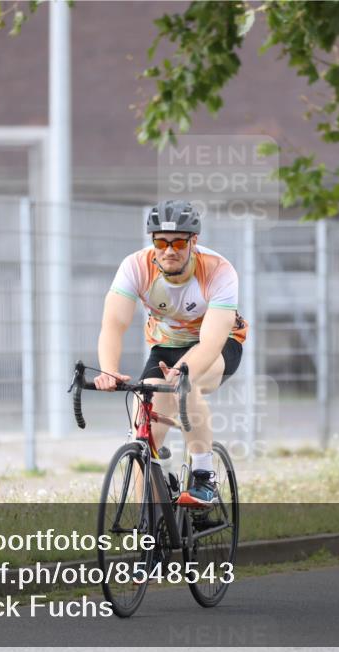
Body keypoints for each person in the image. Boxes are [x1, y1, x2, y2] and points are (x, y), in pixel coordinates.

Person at [94, 200, 247, 507]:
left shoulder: (218, 271)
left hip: (218, 344)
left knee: (186, 386)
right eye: (161, 242)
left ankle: (204, 476)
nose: (169, 250)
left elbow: (211, 341)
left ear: (194, 241)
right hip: (166, 345)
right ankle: (148, 532)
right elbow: (113, 325)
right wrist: (109, 370)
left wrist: (182, 370)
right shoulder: (135, 267)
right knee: (145, 430)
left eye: (178, 242)